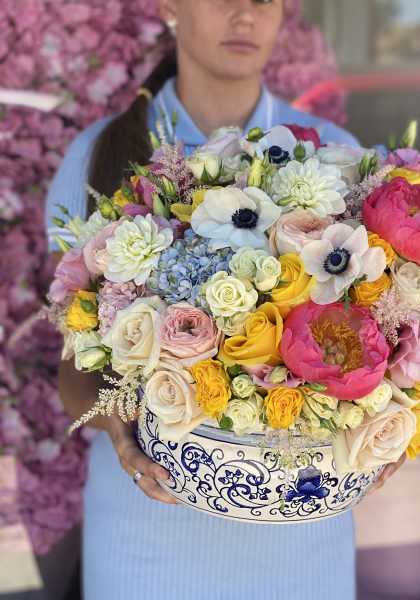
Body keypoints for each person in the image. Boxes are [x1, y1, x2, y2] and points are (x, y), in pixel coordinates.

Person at [45, 1, 369, 599]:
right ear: (170, 6)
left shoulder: (334, 155)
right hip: (148, 536)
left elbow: (381, 346)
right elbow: (72, 365)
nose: (245, 14)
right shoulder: (99, 155)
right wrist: (117, 428)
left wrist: (390, 433)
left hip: (301, 544)